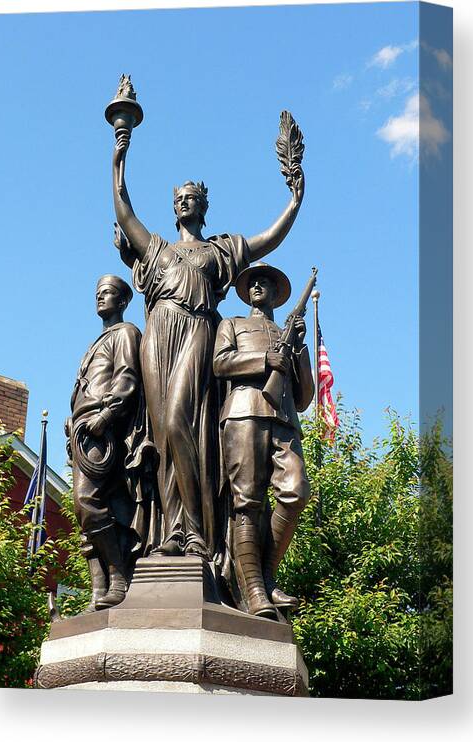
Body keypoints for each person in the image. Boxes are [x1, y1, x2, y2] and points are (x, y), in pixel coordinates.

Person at [111, 128, 305, 562]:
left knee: (184, 420)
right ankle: (172, 533)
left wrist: (294, 202)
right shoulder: (156, 249)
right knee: (162, 434)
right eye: (179, 198)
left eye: (192, 198)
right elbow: (123, 211)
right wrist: (118, 153)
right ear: (174, 206)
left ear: (203, 207)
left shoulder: (219, 251)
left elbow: (267, 240)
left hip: (197, 332)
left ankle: (198, 531)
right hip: (157, 337)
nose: (185, 202)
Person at [213, 263, 314, 619]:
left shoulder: (286, 333)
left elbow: (304, 397)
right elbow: (220, 364)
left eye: (265, 282)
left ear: (276, 293)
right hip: (243, 413)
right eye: (252, 282)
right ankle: (253, 590)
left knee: (296, 491)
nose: (258, 285)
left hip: (284, 420)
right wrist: (264, 359)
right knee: (248, 502)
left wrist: (298, 351)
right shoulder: (233, 325)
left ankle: (267, 576)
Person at [67, 275, 146, 610]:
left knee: (87, 501)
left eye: (109, 293)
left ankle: (118, 576)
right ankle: (98, 590)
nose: (101, 298)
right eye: (98, 293)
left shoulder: (125, 334)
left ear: (123, 301)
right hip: (82, 428)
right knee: (86, 515)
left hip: (103, 427)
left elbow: (127, 377)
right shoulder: (96, 341)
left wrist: (106, 416)